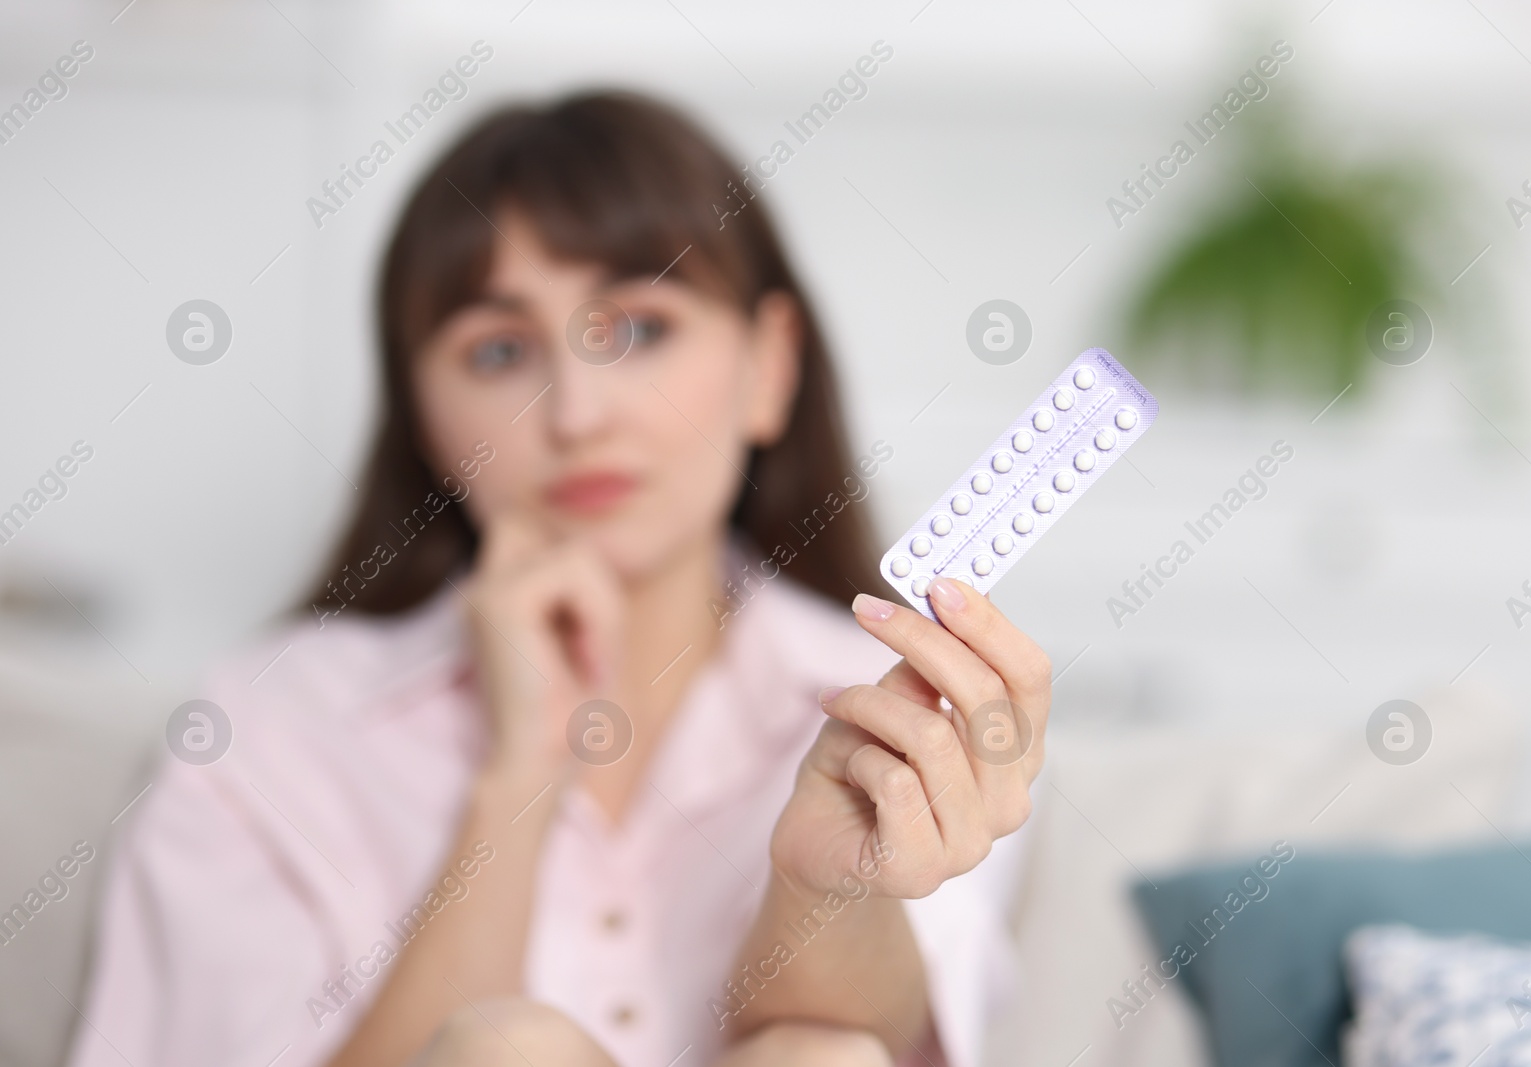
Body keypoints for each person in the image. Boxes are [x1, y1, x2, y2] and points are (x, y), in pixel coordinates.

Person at [67, 92, 1050, 1067]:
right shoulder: (269, 724)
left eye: (639, 329)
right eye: (499, 351)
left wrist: (827, 883)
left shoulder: (900, 707)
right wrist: (520, 775)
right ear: (423, 418)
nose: (576, 410)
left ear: (770, 365)